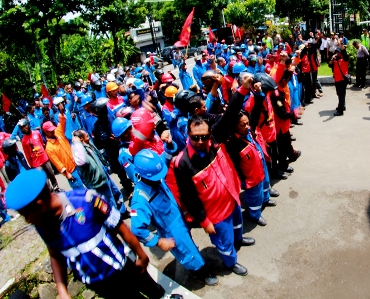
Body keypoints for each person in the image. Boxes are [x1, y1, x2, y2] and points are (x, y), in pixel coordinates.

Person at [5, 169, 166, 299]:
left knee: (153, 290)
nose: (27, 221)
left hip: (122, 266)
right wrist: (62, 290)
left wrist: (141, 255)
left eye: (26, 215)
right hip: (99, 283)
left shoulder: (86, 201)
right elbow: (55, 255)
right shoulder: (42, 225)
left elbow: (120, 227)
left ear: (40, 206)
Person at [172, 75, 256, 276]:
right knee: (224, 240)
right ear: (188, 136)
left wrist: (243, 89)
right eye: (195, 138)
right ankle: (230, 262)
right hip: (215, 214)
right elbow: (189, 197)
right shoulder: (182, 164)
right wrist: (204, 221)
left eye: (205, 136)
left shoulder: (215, 138)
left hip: (232, 198)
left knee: (237, 226)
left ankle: (239, 239)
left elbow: (230, 116)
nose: (201, 141)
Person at [130, 149, 219, 286]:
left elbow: (164, 159)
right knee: (187, 253)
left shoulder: (153, 174)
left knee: (190, 246)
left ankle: (198, 262)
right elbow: (137, 230)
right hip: (171, 231)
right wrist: (158, 242)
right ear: (145, 176)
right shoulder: (140, 200)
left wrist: (169, 146)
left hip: (179, 218)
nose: (160, 179)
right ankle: (200, 273)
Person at [43, 103, 85, 190]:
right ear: (46, 132)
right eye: (50, 131)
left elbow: (62, 122)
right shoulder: (49, 148)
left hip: (78, 163)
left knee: (89, 183)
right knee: (81, 193)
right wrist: (67, 174)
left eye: (53, 129)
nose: (53, 131)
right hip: (71, 171)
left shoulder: (58, 132)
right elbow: (57, 163)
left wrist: (61, 113)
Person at [12, 118, 59, 190]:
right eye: (21, 128)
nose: (24, 129)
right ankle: (50, 192)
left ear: (28, 125)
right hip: (36, 164)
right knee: (44, 179)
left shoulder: (37, 133)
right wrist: (31, 165)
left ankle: (56, 187)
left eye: (25, 126)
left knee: (51, 174)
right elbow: (27, 154)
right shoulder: (24, 140)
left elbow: (42, 144)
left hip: (44, 159)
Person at [330, 46, 349, 116]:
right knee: (339, 94)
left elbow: (345, 53)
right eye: (336, 52)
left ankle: (340, 110)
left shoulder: (344, 59)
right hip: (337, 79)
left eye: (338, 52)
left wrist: (342, 47)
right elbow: (329, 64)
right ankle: (342, 106)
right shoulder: (335, 60)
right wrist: (332, 58)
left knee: (341, 94)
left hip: (342, 79)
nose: (337, 53)